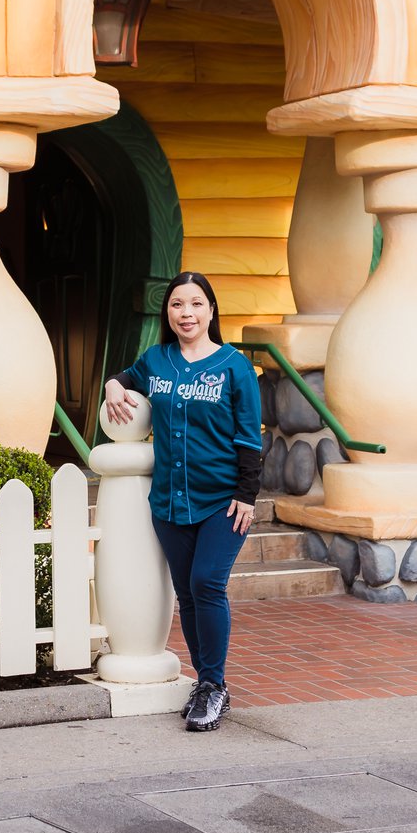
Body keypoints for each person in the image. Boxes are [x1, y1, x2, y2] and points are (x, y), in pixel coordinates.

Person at [102, 271, 263, 733]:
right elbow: (125, 377)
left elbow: (249, 436)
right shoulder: (157, 360)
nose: (186, 313)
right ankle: (205, 683)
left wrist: (247, 494)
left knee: (207, 583)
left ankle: (213, 685)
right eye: (177, 304)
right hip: (170, 502)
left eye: (195, 304)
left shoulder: (234, 366)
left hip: (222, 501)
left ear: (211, 310)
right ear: (167, 312)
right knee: (188, 593)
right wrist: (113, 385)